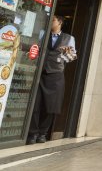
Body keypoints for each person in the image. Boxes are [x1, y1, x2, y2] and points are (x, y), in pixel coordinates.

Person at [27, 15, 76, 145]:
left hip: (56, 76)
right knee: (35, 105)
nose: (51, 22)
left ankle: (42, 133)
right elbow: (34, 50)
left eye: (53, 20)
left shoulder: (69, 38)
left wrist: (65, 53)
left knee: (51, 107)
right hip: (40, 74)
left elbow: (72, 58)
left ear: (60, 22)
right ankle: (32, 134)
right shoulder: (43, 34)